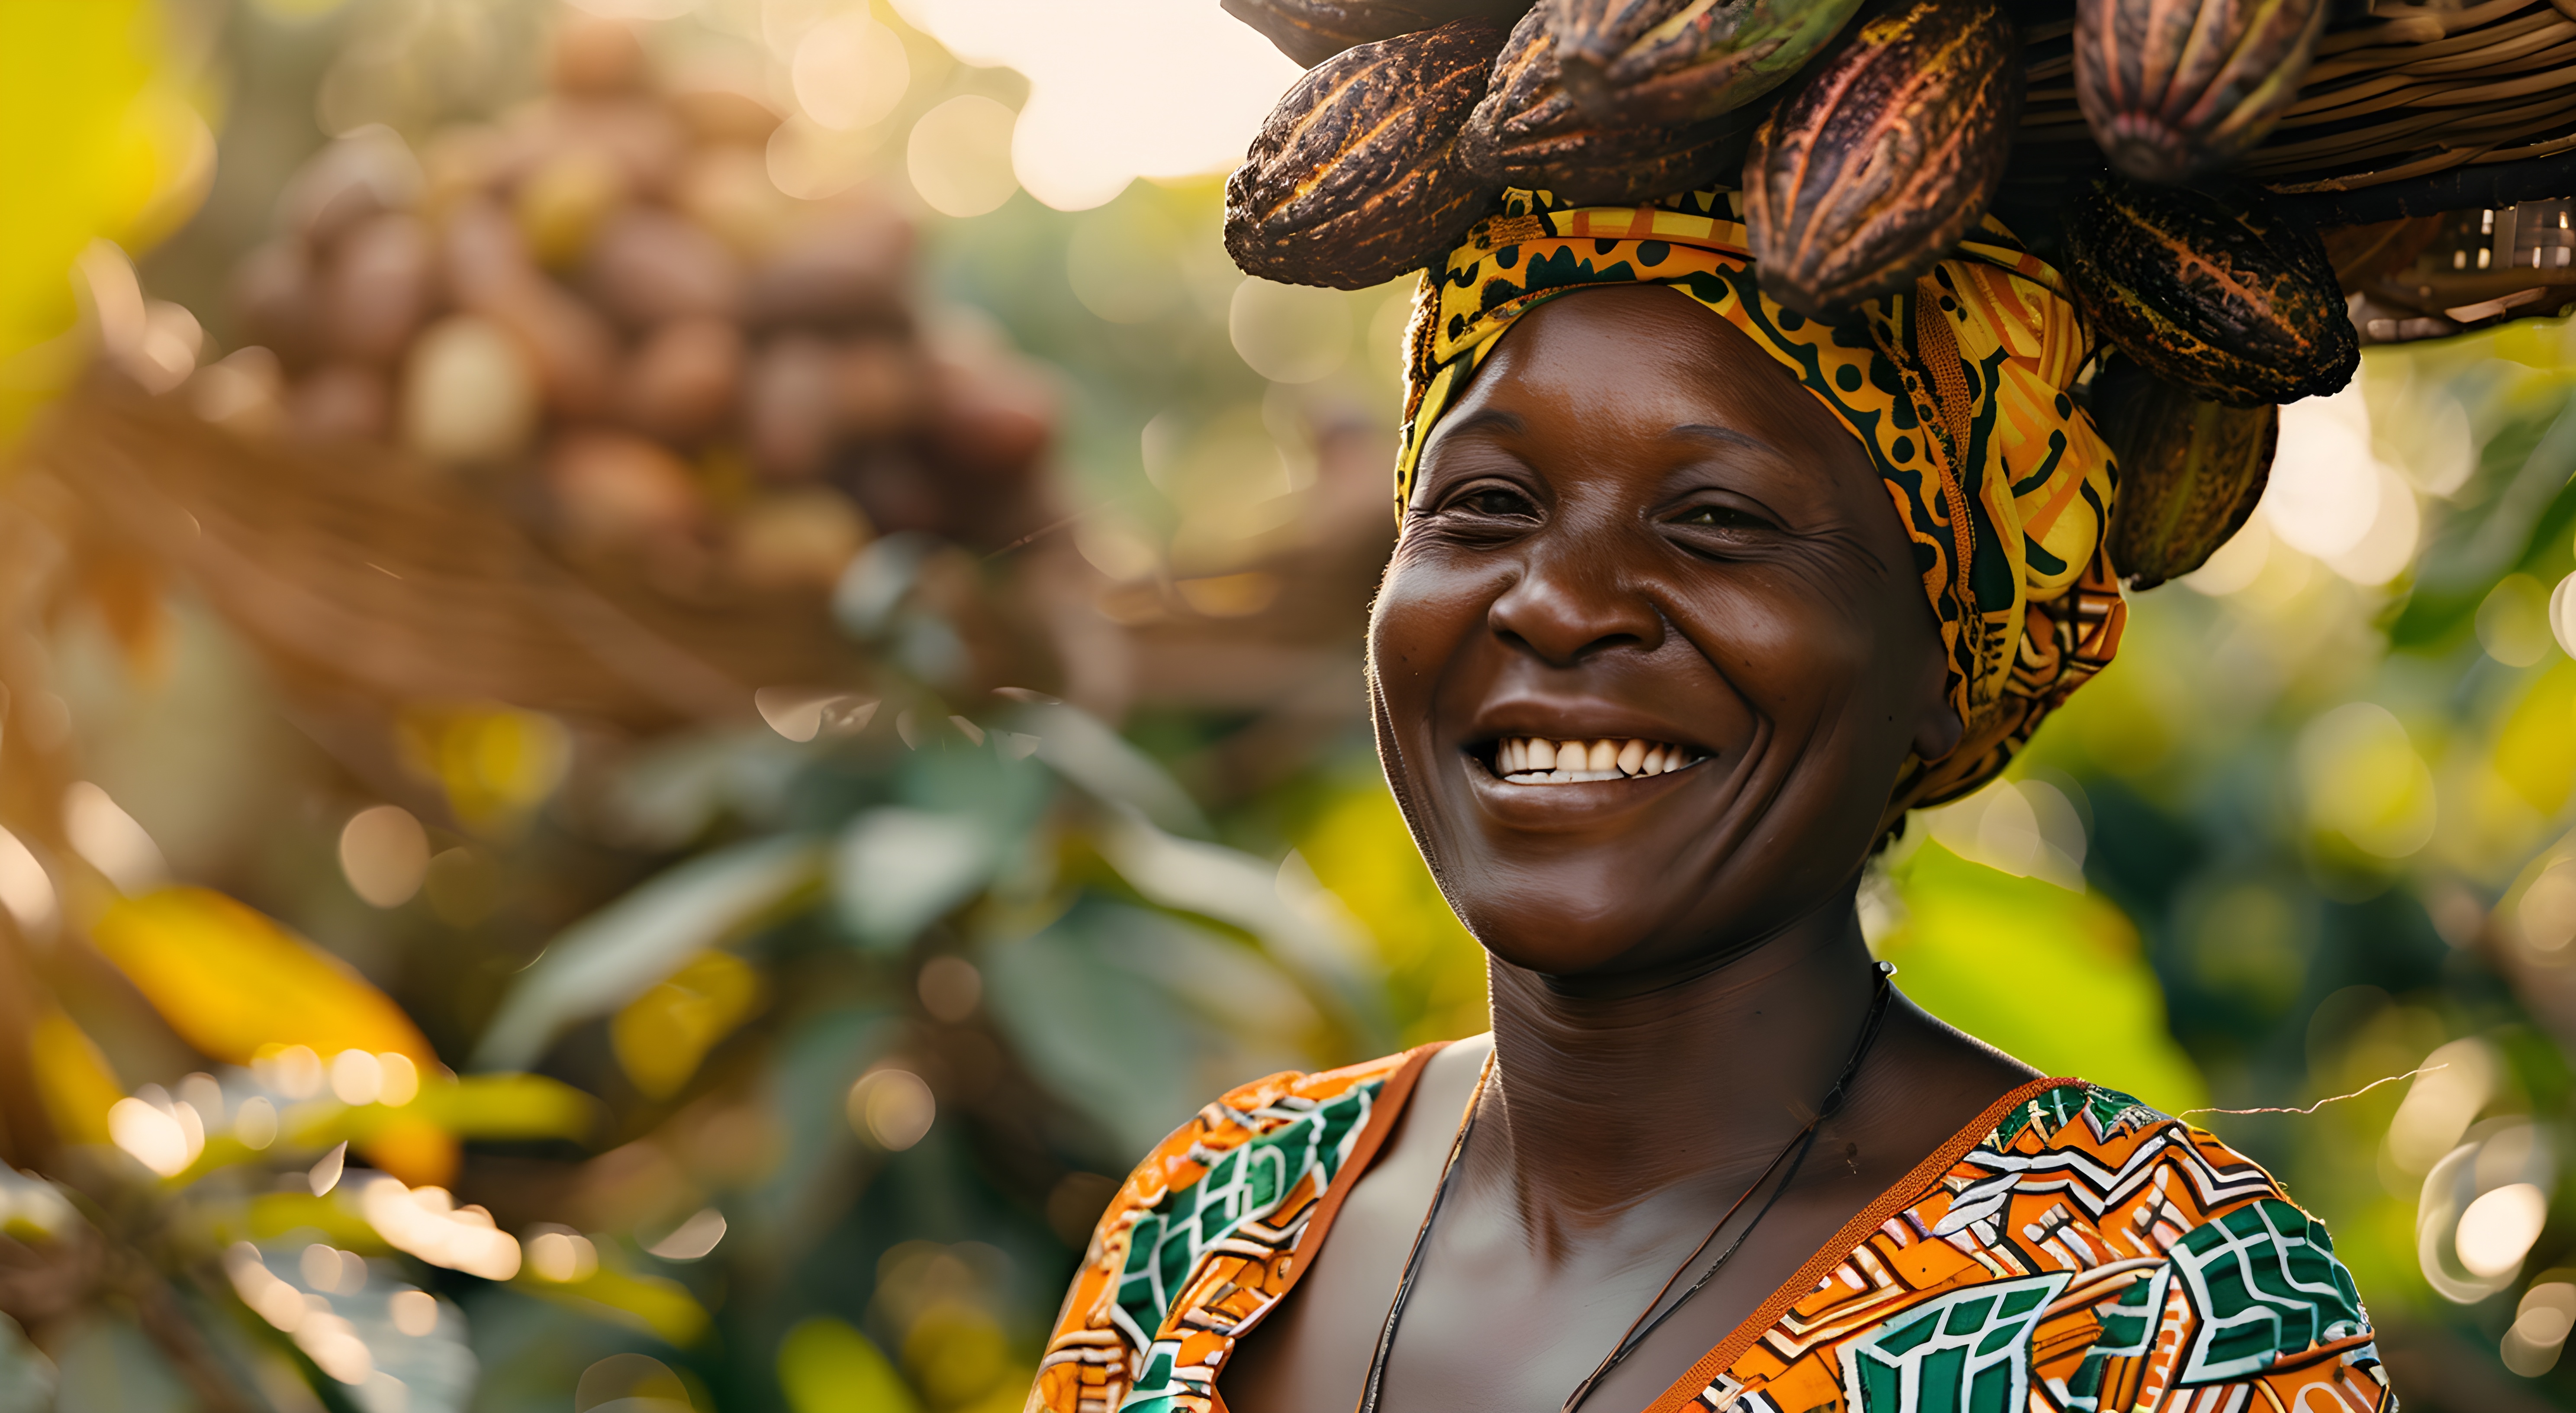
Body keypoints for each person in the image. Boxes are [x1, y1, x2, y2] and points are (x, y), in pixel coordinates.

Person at [1027, 189, 2392, 1413]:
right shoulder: (1212, 1221)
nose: (1557, 605)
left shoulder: (2149, 1310)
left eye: (1720, 520)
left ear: (1945, 663)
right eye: (1488, 502)